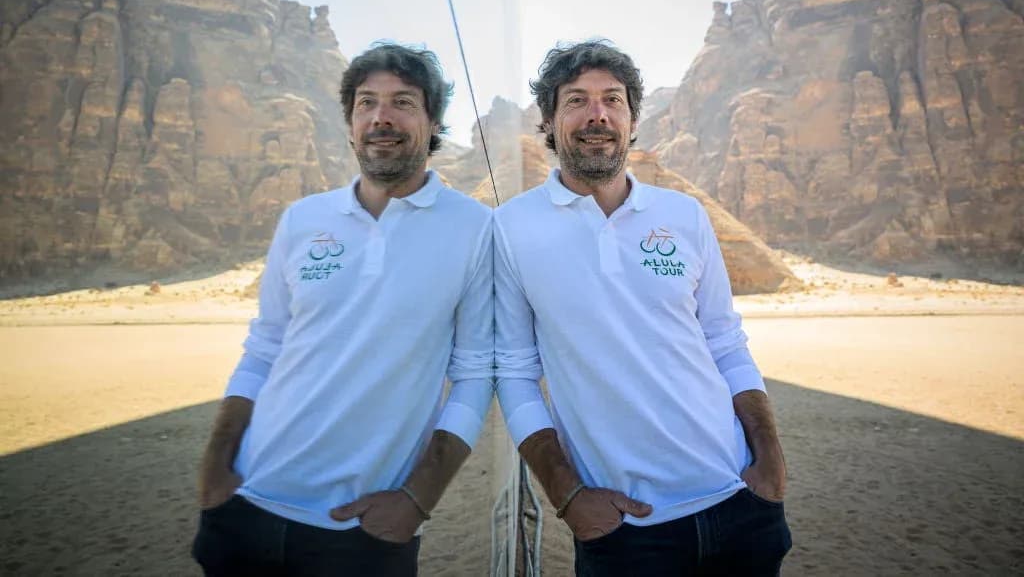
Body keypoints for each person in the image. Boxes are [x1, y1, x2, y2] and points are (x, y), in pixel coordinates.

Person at [192, 43, 493, 576]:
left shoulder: (476, 228)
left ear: (433, 120)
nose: (381, 116)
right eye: (365, 103)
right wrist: (216, 468)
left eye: (402, 101)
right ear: (351, 122)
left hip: (361, 533)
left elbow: (474, 375)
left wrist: (417, 501)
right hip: (245, 508)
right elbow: (264, 349)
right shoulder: (303, 219)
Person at [494, 40, 792, 575]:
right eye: (576, 100)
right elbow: (514, 373)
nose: (597, 115)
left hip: (739, 504)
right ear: (549, 119)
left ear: (632, 120)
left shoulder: (684, 215)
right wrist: (568, 497)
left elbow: (725, 341)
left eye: (613, 99)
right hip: (627, 531)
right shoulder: (511, 228)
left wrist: (769, 459)